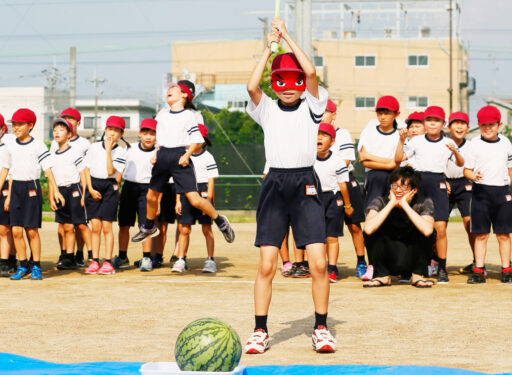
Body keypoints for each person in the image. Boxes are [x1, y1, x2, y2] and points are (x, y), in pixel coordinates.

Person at [244, 17, 335, 354]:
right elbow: (252, 87)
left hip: (305, 182)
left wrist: (288, 38)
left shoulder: (313, 105)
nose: (289, 86)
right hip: (275, 184)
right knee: (267, 264)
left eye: (293, 80)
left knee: (318, 263)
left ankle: (321, 328)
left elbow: (311, 73)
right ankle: (260, 331)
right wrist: (270, 50)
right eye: (281, 81)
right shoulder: (266, 108)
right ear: (275, 82)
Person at [131, 80, 234, 245]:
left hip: (179, 156)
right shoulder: (162, 114)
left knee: (194, 199)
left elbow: (196, 139)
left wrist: (187, 155)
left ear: (184, 95)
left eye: (174, 89)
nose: (169, 91)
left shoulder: (189, 115)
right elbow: (160, 139)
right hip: (163, 155)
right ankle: (149, 226)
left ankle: (220, 221)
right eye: (168, 89)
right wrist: (157, 153)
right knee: (151, 196)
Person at [395, 106, 464, 284]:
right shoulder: (416, 141)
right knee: (412, 226)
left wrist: (455, 151)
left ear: (443, 123)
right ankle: (409, 267)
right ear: (424, 123)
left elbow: (461, 162)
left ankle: (442, 268)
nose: (432, 123)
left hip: (438, 183)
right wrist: (401, 141)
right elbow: (398, 159)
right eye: (429, 120)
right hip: (419, 182)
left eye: (437, 120)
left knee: (440, 228)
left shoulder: (448, 142)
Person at [0, 108, 63, 280]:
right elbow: (7, 170)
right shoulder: (10, 145)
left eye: (20, 124)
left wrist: (55, 190)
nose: (16, 127)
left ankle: (36, 265)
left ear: (30, 125)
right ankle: (22, 265)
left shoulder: (38, 145)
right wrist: (8, 195)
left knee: (32, 231)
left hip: (31, 189)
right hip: (16, 189)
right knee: (16, 231)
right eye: (14, 124)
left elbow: (48, 170)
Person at [463, 105, 512, 284]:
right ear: (479, 125)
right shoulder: (474, 144)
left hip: (502, 192)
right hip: (481, 192)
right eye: (484, 125)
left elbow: (510, 168)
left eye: (492, 124)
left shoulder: (506, 143)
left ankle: (506, 269)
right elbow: (466, 170)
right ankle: (479, 269)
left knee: (504, 234)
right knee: (481, 234)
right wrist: (473, 176)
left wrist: (509, 186)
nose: (488, 128)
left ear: (499, 124)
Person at [363, 167, 435, 288]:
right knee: (371, 228)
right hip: (389, 255)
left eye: (403, 187)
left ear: (414, 189)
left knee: (429, 230)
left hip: (411, 256)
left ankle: (418, 275)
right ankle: (382, 275)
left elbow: (428, 231)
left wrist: (405, 205)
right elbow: (368, 229)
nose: (398, 190)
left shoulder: (424, 202)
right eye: (394, 186)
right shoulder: (381, 201)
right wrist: (391, 204)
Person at [324, 100, 367, 278]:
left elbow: (347, 160)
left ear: (334, 115)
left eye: (326, 111)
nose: (322, 114)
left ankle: (361, 262)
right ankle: (330, 267)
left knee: (354, 226)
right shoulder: (311, 134)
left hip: (345, 181)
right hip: (325, 184)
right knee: (327, 231)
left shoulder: (342, 134)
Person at [83, 116, 129, 275]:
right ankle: (95, 260)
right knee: (95, 227)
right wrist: (90, 189)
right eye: (110, 129)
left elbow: (111, 172)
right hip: (94, 185)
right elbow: (86, 169)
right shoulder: (93, 147)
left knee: (107, 227)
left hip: (110, 187)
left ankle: (108, 262)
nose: (112, 133)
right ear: (105, 129)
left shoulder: (122, 152)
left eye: (117, 130)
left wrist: (109, 150)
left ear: (121, 133)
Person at [174, 124, 219, 273]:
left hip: (203, 193)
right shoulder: (183, 156)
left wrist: (208, 202)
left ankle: (210, 260)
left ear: (204, 140)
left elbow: (211, 181)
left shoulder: (208, 157)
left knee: (207, 229)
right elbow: (178, 181)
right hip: (186, 192)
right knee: (184, 229)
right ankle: (181, 260)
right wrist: (178, 201)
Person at [115, 119, 158, 271]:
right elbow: (120, 170)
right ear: (139, 134)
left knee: (146, 226)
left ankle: (146, 258)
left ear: (157, 136)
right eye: (145, 133)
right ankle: (122, 256)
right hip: (129, 187)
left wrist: (157, 200)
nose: (148, 137)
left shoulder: (158, 151)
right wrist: (117, 189)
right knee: (124, 224)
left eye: (152, 133)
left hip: (148, 190)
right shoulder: (130, 148)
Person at [51, 118, 92, 270]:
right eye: (55, 130)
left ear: (69, 134)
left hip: (74, 189)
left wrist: (84, 194)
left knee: (81, 224)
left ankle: (92, 256)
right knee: (66, 226)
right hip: (60, 191)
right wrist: (52, 194)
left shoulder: (75, 152)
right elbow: (51, 176)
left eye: (61, 130)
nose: (57, 133)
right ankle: (68, 257)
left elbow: (83, 173)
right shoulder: (52, 154)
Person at [314, 122, 353, 283]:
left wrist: (347, 205)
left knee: (332, 237)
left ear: (332, 142)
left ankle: (332, 268)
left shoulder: (337, 160)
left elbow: (343, 184)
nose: (319, 138)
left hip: (333, 199)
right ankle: (320, 267)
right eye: (317, 135)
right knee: (318, 238)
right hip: (314, 200)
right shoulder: (308, 160)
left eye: (324, 135)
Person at [444, 112, 475, 274]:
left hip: (465, 183)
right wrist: (443, 179)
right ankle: (436, 261)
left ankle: (478, 261)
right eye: (456, 123)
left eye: (463, 123)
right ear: (448, 127)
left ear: (468, 128)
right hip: (445, 182)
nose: (459, 126)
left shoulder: (471, 145)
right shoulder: (442, 143)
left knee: (469, 222)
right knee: (440, 224)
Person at [357, 96, 401, 211]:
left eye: (387, 113)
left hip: (394, 178)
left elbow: (397, 162)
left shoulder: (399, 136)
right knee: (372, 210)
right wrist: (389, 164)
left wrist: (370, 156)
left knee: (393, 213)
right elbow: (364, 161)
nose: (382, 117)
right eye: (379, 113)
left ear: (396, 114)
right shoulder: (368, 132)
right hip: (373, 177)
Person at [0, 114, 16, 276]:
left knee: (5, 228)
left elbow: (11, 171)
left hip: (7, 186)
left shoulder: (10, 143)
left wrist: (10, 195)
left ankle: (7, 261)